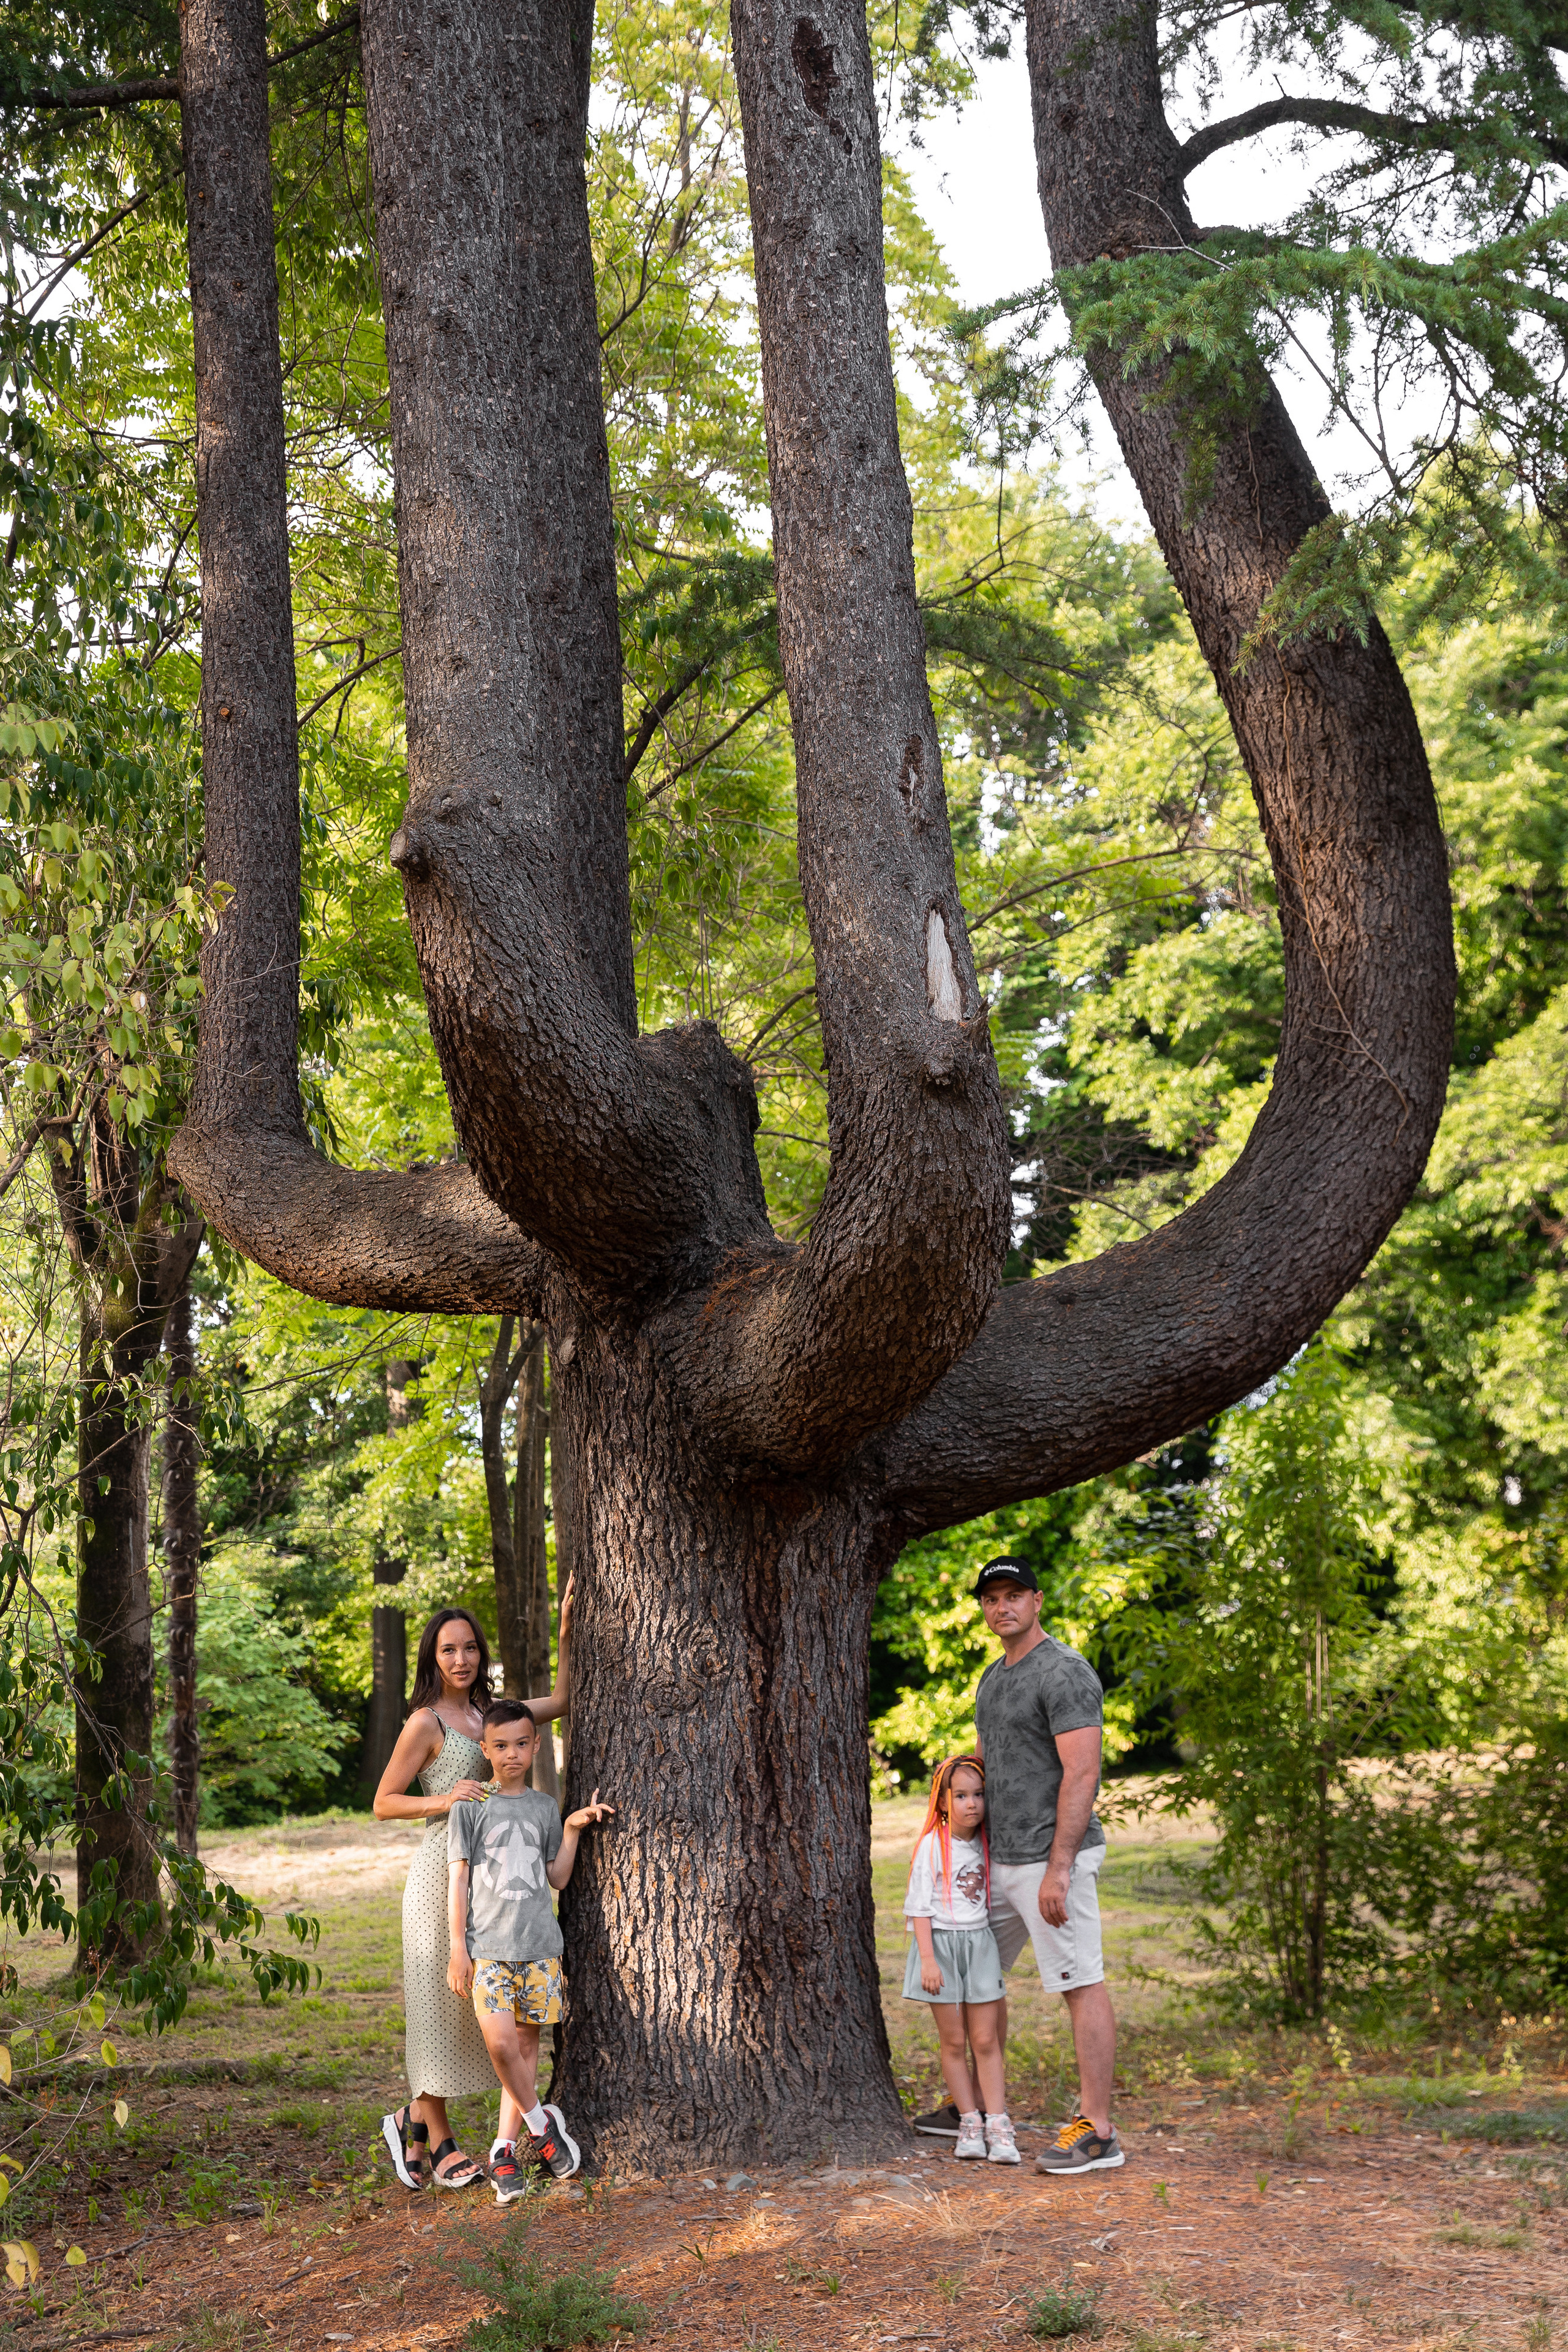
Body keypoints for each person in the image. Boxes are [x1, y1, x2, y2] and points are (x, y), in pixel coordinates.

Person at [912, 1557, 1122, 2174]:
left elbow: (1082, 1772)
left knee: (1079, 1981)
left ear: (1035, 1601)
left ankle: (1098, 2129)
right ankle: (974, 2104)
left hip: (1051, 1857)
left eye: (1012, 1596)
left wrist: (1059, 1867)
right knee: (975, 1974)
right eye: (990, 1598)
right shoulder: (992, 1677)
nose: (1000, 1607)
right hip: (997, 1859)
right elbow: (985, 1763)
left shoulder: (1064, 1672)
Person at [374, 1593, 572, 2191]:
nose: (460, 1659)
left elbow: (561, 1702)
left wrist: (566, 1630)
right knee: (438, 2009)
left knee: (473, 2012)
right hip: (440, 1868)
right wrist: (447, 1796)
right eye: (448, 1650)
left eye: (469, 1648)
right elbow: (384, 1802)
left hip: (487, 1877)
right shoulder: (425, 1722)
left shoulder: (493, 1716)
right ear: (432, 1659)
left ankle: (408, 2119)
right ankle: (439, 2141)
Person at [447, 1696, 614, 2198]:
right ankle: (543, 2127)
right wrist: (459, 1947)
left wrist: (570, 1829)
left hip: (541, 1948)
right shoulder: (470, 1807)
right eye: (501, 1745)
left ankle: (502, 2152)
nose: (512, 1754)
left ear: (536, 1744)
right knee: (499, 2045)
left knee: (522, 2048)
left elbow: (558, 1878)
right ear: (485, 1749)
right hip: (490, 1950)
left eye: (522, 1743)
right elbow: (458, 1881)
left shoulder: (544, 1807)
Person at [902, 1755, 1017, 2165]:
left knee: (985, 2039)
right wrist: (929, 1961)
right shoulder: (934, 1845)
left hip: (979, 1946)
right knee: (954, 2040)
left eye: (979, 1795)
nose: (972, 1804)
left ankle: (998, 2125)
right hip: (942, 1947)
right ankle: (968, 2121)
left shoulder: (988, 1843)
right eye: (962, 1795)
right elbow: (919, 1909)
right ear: (944, 1801)